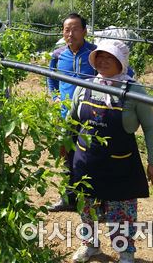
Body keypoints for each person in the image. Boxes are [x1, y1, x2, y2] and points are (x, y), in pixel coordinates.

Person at [68, 40, 153, 263]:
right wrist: (64, 143)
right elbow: (71, 119)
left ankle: (125, 252)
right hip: (86, 159)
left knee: (122, 211)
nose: (103, 61)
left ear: (121, 62)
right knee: (86, 205)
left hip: (120, 162)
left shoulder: (133, 90)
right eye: (99, 56)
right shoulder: (86, 85)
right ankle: (89, 245)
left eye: (109, 57)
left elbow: (149, 128)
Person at [46, 13, 96, 212]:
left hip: (90, 116)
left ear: (84, 31)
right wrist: (55, 96)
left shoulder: (95, 54)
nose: (71, 33)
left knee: (91, 157)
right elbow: (50, 78)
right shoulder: (58, 55)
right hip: (66, 115)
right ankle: (68, 199)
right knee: (67, 155)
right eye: (67, 29)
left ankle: (93, 201)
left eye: (75, 29)